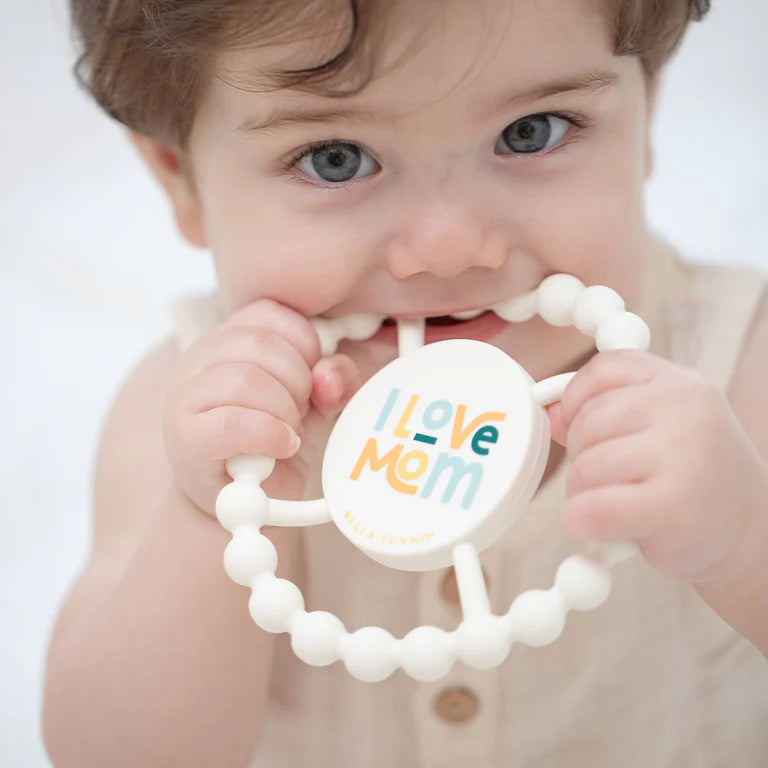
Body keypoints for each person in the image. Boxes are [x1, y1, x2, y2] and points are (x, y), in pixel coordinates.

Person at [42, 0, 768, 766]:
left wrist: (742, 534)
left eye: (531, 132)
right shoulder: (192, 418)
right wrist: (208, 516)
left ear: (646, 114)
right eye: (336, 158)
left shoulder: (729, 365)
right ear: (180, 178)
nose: (449, 249)